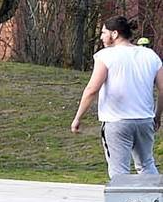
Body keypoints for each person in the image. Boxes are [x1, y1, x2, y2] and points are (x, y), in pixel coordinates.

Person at [70, 16, 163, 177]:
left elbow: (92, 89)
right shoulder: (150, 55)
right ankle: (155, 193)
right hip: (144, 120)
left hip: (117, 122)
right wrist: (157, 115)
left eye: (103, 33)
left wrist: (78, 117)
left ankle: (121, 195)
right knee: (146, 165)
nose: (101, 37)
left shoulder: (105, 56)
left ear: (115, 33)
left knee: (119, 171)